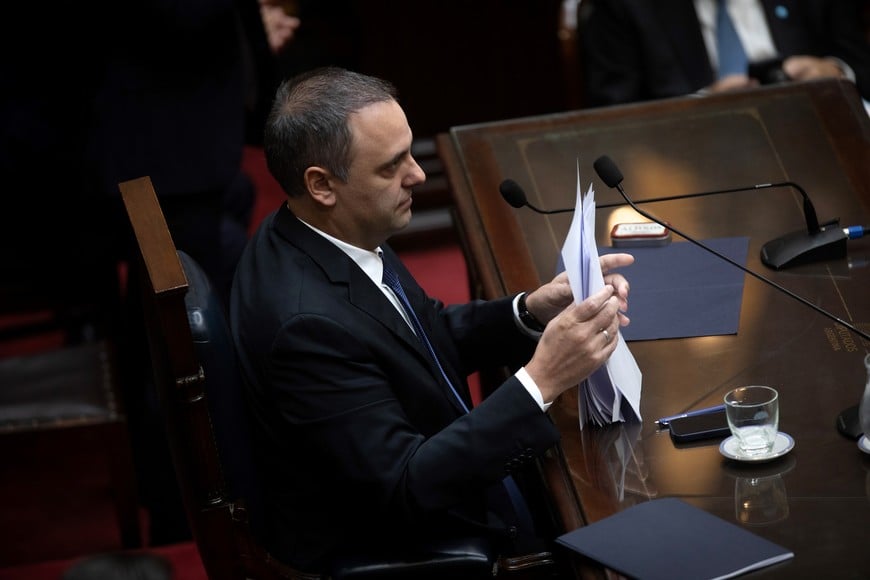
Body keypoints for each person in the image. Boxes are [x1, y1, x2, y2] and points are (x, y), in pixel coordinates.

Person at [230, 66, 635, 573]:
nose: (418, 175)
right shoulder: (304, 326)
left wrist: (531, 308)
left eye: (409, 153)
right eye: (390, 166)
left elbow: (422, 333)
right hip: (412, 543)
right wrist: (543, 379)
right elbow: (405, 486)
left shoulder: (325, 231)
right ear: (322, 184)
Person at [579, 0, 870, 107]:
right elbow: (614, 115)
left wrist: (835, 71)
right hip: (691, 163)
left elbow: (860, 61)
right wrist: (700, 108)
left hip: (813, 132)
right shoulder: (622, 7)